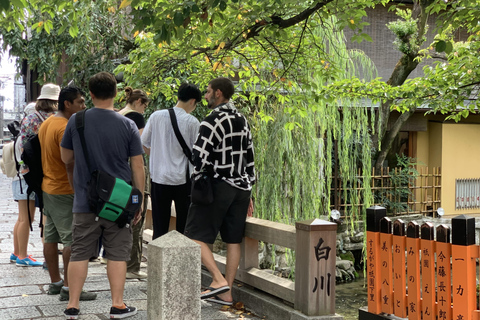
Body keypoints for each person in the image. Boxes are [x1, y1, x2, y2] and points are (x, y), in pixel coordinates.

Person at [60, 72, 144, 320]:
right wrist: (138, 201)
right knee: (117, 253)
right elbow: (137, 166)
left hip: (86, 199)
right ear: (116, 93)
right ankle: (117, 305)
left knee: (80, 251)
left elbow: (66, 158)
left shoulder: (76, 121)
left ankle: (72, 305)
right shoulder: (127, 124)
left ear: (91, 94)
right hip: (118, 202)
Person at [184, 77, 255, 306]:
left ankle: (217, 280)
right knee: (233, 240)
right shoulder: (242, 119)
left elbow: (198, 157)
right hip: (242, 188)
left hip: (218, 185)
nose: (205, 96)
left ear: (218, 93)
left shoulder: (212, 120)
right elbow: (250, 158)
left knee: (194, 235)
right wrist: (250, 190)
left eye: (207, 92)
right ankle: (227, 293)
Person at [38, 86, 97, 302]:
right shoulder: (65, 127)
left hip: (48, 187)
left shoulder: (48, 123)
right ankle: (71, 287)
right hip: (64, 189)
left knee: (51, 237)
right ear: (67, 104)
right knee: (73, 240)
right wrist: (77, 188)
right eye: (80, 102)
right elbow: (70, 161)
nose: (84, 105)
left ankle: (56, 282)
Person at [142, 83, 201, 239]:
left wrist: (157, 155)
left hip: (159, 178)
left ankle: (157, 262)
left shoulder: (156, 116)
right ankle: (181, 261)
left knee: (159, 227)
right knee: (184, 228)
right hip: (182, 180)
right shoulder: (192, 122)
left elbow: (143, 142)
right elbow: (197, 152)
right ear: (193, 101)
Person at [11, 84, 60, 267]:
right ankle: (24, 255)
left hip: (23, 172)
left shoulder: (30, 118)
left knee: (22, 217)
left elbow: (22, 145)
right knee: (33, 218)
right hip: (38, 174)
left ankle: (17, 253)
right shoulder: (54, 119)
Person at [118, 86, 149, 279]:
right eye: (145, 106)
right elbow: (141, 148)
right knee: (137, 215)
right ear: (139, 102)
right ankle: (132, 266)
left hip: (119, 171)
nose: (144, 110)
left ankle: (117, 260)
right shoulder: (135, 118)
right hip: (133, 170)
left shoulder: (117, 114)